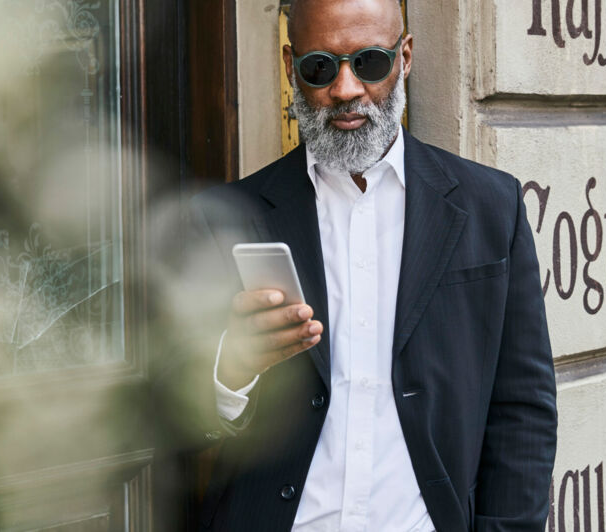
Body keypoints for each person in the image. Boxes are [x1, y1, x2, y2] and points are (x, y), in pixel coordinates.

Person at [170, 0, 558, 530]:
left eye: (371, 62)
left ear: (407, 57)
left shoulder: (492, 208)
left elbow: (523, 410)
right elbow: (173, 422)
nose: (346, 89)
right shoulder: (225, 219)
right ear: (291, 67)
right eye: (320, 67)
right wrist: (229, 372)